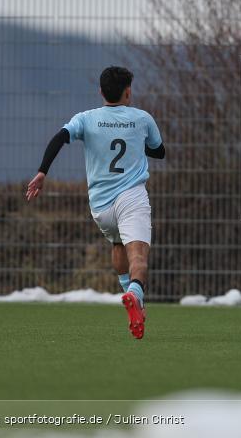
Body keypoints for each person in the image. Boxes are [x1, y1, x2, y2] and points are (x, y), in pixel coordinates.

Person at [26, 66, 165, 339]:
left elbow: (59, 138)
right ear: (128, 91)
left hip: (100, 206)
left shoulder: (86, 119)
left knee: (117, 243)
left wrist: (43, 171)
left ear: (101, 92)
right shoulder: (142, 118)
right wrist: (137, 142)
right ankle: (136, 295)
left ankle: (128, 291)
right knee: (138, 256)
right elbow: (159, 151)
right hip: (131, 197)